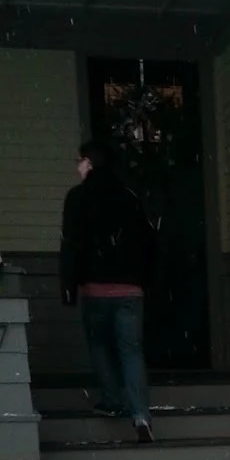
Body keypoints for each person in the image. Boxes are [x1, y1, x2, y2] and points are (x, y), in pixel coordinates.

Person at [60, 139, 157, 444]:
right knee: (131, 351)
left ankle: (113, 400)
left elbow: (71, 243)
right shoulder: (129, 196)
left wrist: (68, 285)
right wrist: (143, 279)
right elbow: (148, 242)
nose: (77, 167)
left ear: (89, 163)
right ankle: (141, 415)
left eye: (79, 161)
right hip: (130, 289)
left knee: (100, 345)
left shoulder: (78, 198)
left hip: (96, 288)